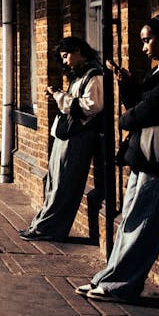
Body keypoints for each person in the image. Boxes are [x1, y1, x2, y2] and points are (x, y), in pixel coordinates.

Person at [78, 14, 159, 302]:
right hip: (146, 156)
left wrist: (125, 120)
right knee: (130, 220)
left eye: (147, 40)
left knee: (144, 224)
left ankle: (122, 285)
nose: (144, 47)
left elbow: (153, 109)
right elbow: (142, 103)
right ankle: (109, 278)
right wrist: (128, 85)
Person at [19, 37, 103, 241]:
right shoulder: (80, 75)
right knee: (55, 182)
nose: (65, 62)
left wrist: (60, 97)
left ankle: (47, 229)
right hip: (67, 134)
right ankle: (41, 224)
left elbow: (92, 106)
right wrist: (61, 94)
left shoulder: (94, 75)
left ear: (78, 51)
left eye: (66, 56)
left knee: (64, 185)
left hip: (78, 137)